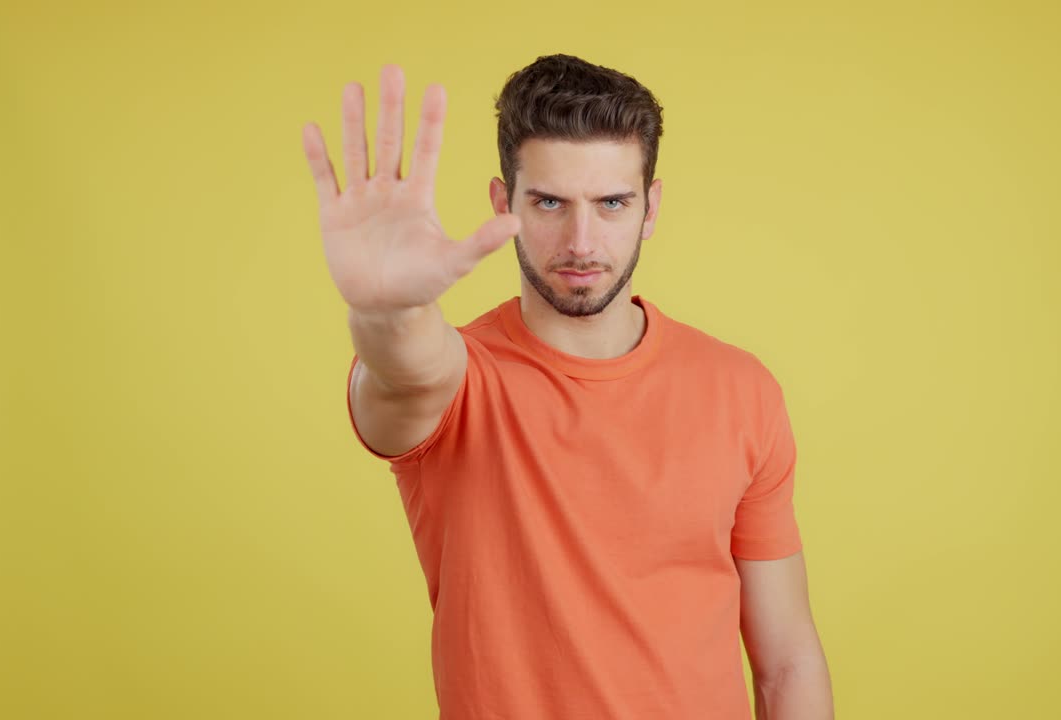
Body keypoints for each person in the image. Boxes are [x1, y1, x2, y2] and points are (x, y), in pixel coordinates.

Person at [301, 53, 834, 720]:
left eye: (612, 203)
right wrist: (386, 309)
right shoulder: (459, 381)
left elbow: (787, 662)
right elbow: (406, 371)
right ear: (504, 203)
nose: (581, 241)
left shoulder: (742, 390)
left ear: (650, 206)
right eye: (549, 202)